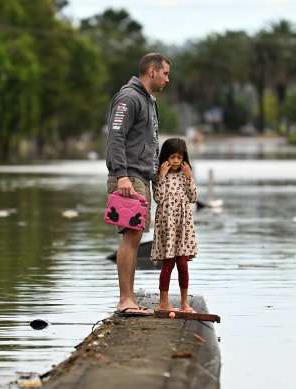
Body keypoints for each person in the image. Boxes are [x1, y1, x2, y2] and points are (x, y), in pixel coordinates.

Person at [106, 53, 171, 316]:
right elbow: (116, 137)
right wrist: (121, 175)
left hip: (139, 177)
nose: (168, 79)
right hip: (128, 177)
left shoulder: (148, 99)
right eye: (165, 73)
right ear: (152, 71)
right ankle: (125, 301)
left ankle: (130, 299)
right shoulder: (129, 97)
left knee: (135, 237)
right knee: (130, 237)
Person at [151, 138, 198, 313]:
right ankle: (163, 303)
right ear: (166, 157)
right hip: (167, 225)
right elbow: (158, 198)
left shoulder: (185, 176)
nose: (176, 161)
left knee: (183, 264)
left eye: (179, 157)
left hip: (183, 226)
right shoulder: (159, 176)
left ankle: (184, 303)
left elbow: (193, 198)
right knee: (168, 263)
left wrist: (189, 178)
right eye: (172, 157)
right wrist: (162, 176)